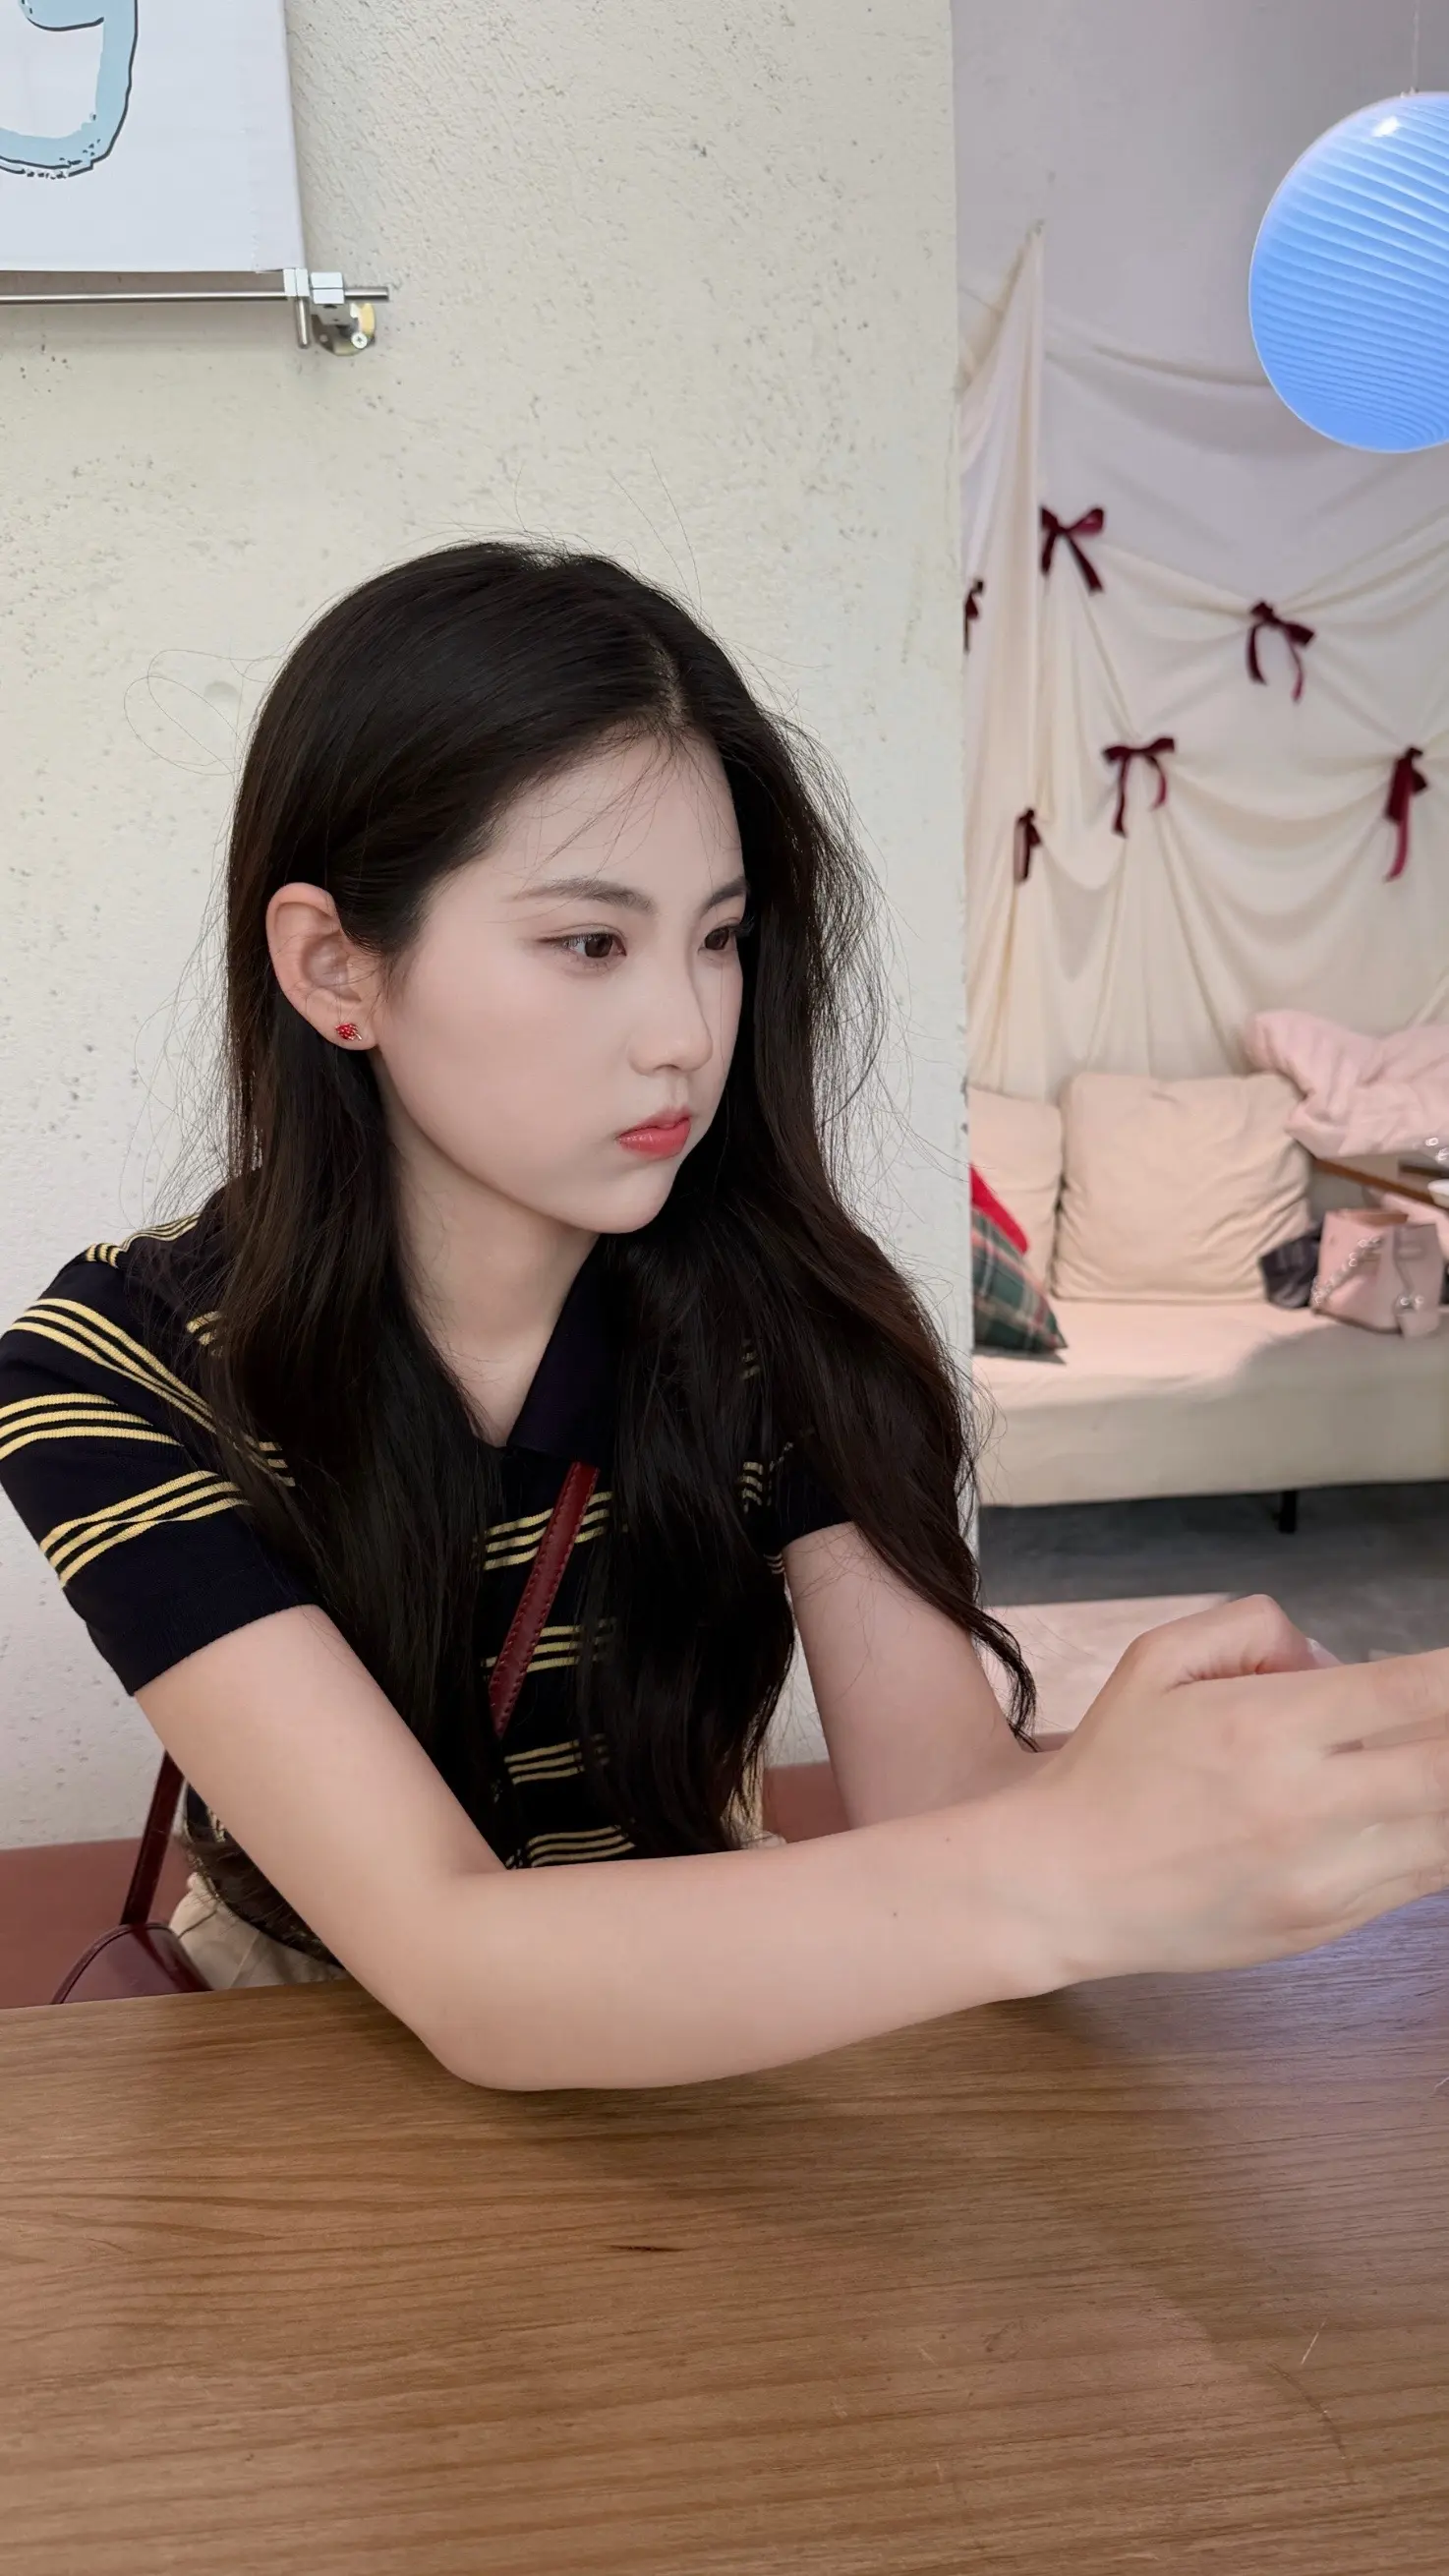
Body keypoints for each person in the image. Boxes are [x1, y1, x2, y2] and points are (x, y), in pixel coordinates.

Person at [3, 540, 1448, 2090]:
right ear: (334, 968)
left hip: (718, 2013)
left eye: (717, 937)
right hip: (299, 2049)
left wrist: (1154, 1782)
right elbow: (454, 1959)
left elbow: (939, 1813)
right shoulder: (116, 1365)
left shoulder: (780, 1317)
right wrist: (1071, 1867)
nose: (687, 1031)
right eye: (589, 942)